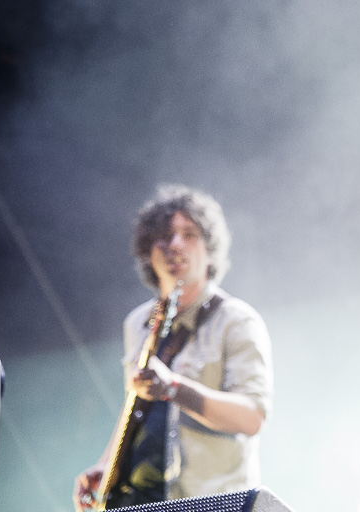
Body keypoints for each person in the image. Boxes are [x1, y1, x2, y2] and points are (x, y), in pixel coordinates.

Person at [74, 186, 273, 509]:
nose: (175, 244)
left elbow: (251, 417)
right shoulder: (137, 323)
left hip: (209, 501)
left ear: (210, 250)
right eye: (164, 236)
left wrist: (174, 388)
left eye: (189, 234)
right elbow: (134, 405)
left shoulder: (237, 320)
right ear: (148, 251)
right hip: (144, 501)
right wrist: (106, 464)